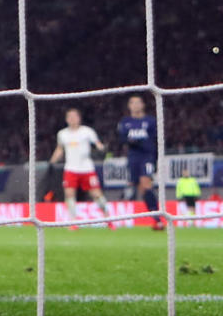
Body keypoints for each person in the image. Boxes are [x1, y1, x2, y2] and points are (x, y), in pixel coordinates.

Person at [49, 108, 114, 230]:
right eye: (70, 117)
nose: (72, 119)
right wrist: (52, 161)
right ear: (66, 119)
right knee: (69, 194)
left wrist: (102, 148)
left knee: (96, 194)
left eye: (74, 116)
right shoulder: (62, 134)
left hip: (86, 168)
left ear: (79, 118)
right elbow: (59, 149)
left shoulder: (87, 131)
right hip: (70, 168)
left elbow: (97, 143)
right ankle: (73, 222)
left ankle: (108, 219)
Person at [117, 95, 163, 230]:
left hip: (147, 156)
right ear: (129, 106)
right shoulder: (125, 122)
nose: (136, 105)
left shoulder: (151, 121)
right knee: (142, 189)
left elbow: (157, 139)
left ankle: (158, 219)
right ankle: (156, 218)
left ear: (143, 105)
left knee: (145, 182)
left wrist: (155, 158)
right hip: (133, 157)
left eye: (138, 102)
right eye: (133, 103)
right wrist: (130, 141)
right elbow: (122, 140)